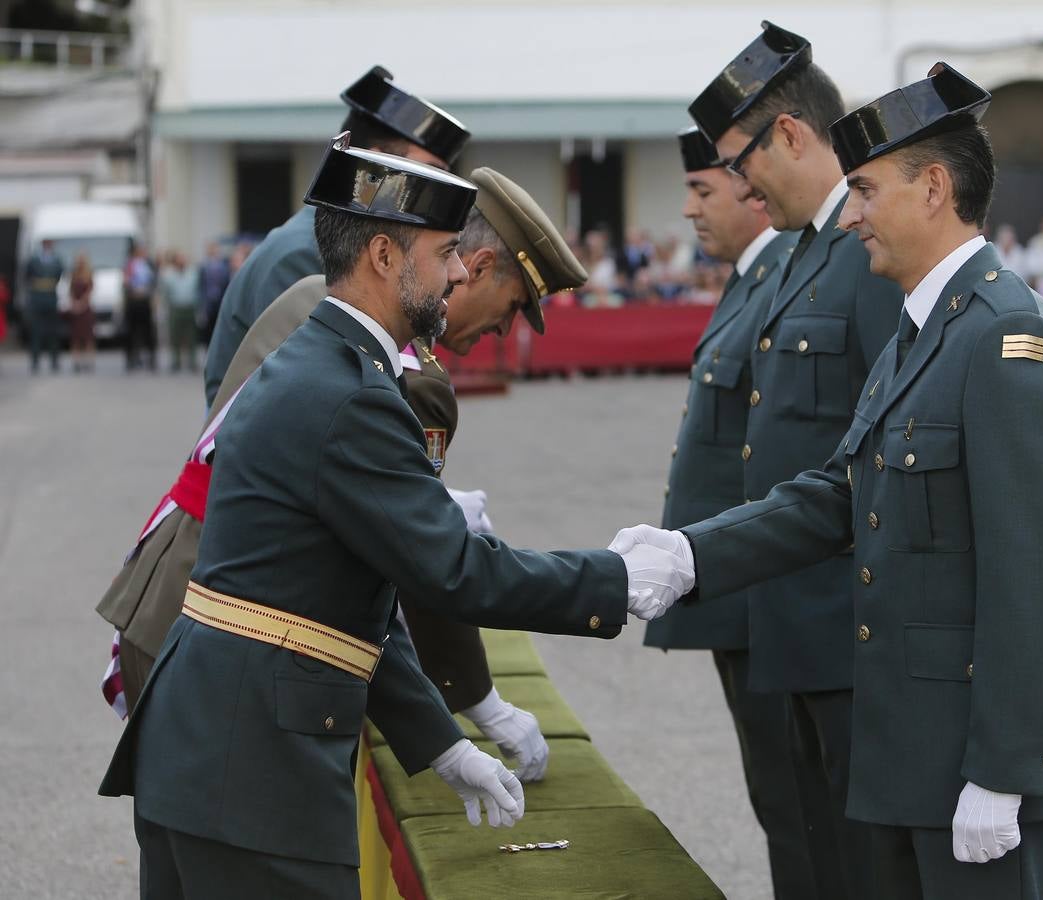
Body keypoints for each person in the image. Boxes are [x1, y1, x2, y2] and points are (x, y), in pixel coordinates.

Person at [100, 140, 690, 899]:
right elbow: (454, 569)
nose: (457, 270)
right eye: (446, 251)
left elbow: (344, 601)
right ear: (384, 254)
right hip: (251, 777)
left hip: (215, 757)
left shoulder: (324, 362)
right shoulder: (352, 395)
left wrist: (441, 743)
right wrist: (617, 579)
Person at [614, 62, 1043, 900]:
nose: (855, 214)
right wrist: (692, 555)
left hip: (975, 765)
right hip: (910, 749)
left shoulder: (1007, 338)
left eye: (869, 192)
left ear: (935, 188)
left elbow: (1034, 579)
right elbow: (838, 493)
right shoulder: (924, 329)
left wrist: (1007, 770)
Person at [688, 22, 904, 897]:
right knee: (813, 847)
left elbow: (892, 453)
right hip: (795, 619)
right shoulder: (807, 254)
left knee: (857, 863)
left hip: (846, 629)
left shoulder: (864, 256)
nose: (739, 185)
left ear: (790, 134)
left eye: (741, 161)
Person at [643, 126, 810, 897]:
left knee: (801, 807)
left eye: (703, 190)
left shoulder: (786, 277)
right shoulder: (755, 277)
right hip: (736, 590)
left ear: (751, 189)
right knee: (781, 800)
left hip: (764, 595)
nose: (688, 210)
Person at [202, 65, 472, 408]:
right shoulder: (304, 254)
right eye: (427, 173)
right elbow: (303, 397)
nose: (435, 188)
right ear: (374, 165)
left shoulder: (320, 240)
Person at [23, 238, 64, 373]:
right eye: (46, 244)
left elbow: (58, 275)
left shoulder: (57, 260)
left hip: (51, 298)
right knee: (36, 332)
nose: (47, 246)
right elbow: (27, 276)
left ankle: (54, 361)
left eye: (49, 244)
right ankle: (35, 361)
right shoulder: (34, 260)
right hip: (37, 298)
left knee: (53, 332)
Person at [160, 251, 200, 372]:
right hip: (175, 308)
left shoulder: (193, 273)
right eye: (179, 259)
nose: (182, 261)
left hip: (190, 307)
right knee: (175, 336)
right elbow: (164, 293)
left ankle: (192, 361)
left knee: (191, 336)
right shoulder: (168, 275)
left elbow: (198, 290)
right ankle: (175, 361)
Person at [123, 243, 157, 371]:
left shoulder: (148, 265)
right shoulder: (129, 264)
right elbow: (125, 282)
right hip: (133, 301)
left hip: (145, 301)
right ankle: (132, 358)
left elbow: (154, 281)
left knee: (148, 331)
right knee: (132, 331)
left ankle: (151, 357)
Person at [196, 242, 231, 345]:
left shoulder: (223, 266)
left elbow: (226, 283)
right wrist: (201, 303)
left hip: (220, 300)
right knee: (208, 328)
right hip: (209, 302)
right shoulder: (204, 266)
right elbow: (201, 286)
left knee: (219, 327)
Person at [68, 252, 97, 372]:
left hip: (85, 309)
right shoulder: (73, 275)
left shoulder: (88, 275)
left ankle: (89, 361)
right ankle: (76, 361)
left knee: (88, 337)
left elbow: (89, 292)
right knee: (76, 337)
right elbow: (70, 291)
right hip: (76, 309)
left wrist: (81, 304)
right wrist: (74, 304)